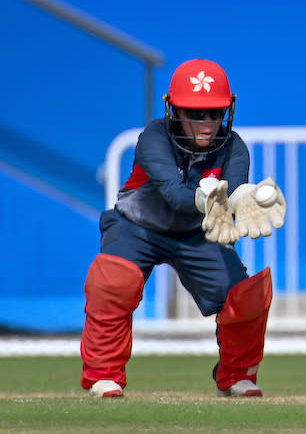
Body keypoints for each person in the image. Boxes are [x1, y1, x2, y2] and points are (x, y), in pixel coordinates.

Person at [80, 58, 286, 398]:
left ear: (227, 112)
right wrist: (208, 200)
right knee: (114, 280)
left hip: (195, 232)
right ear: (175, 111)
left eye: (214, 113)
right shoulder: (154, 137)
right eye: (195, 113)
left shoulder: (234, 147)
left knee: (244, 296)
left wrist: (245, 196)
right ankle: (104, 375)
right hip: (138, 227)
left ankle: (236, 376)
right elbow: (173, 195)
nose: (207, 123)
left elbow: (233, 193)